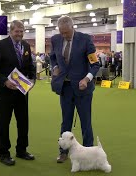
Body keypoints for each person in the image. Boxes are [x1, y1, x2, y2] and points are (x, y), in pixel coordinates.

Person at [50, 16, 100, 163]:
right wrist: (55, 67)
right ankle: (63, 152)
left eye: (66, 32)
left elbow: (95, 64)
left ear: (73, 27)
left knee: (86, 122)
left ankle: (89, 153)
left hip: (82, 88)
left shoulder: (85, 39)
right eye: (61, 32)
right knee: (65, 122)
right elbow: (52, 57)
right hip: (65, 88)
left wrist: (87, 79)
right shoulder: (55, 39)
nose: (64, 35)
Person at [0, 20, 36, 166]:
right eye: (17, 31)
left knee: (23, 122)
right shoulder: (1, 45)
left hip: (22, 90)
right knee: (4, 123)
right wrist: (5, 81)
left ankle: (22, 150)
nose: (20, 34)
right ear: (11, 31)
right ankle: (4, 153)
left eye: (22, 31)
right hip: (5, 91)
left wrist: (32, 79)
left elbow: (30, 67)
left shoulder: (26, 46)